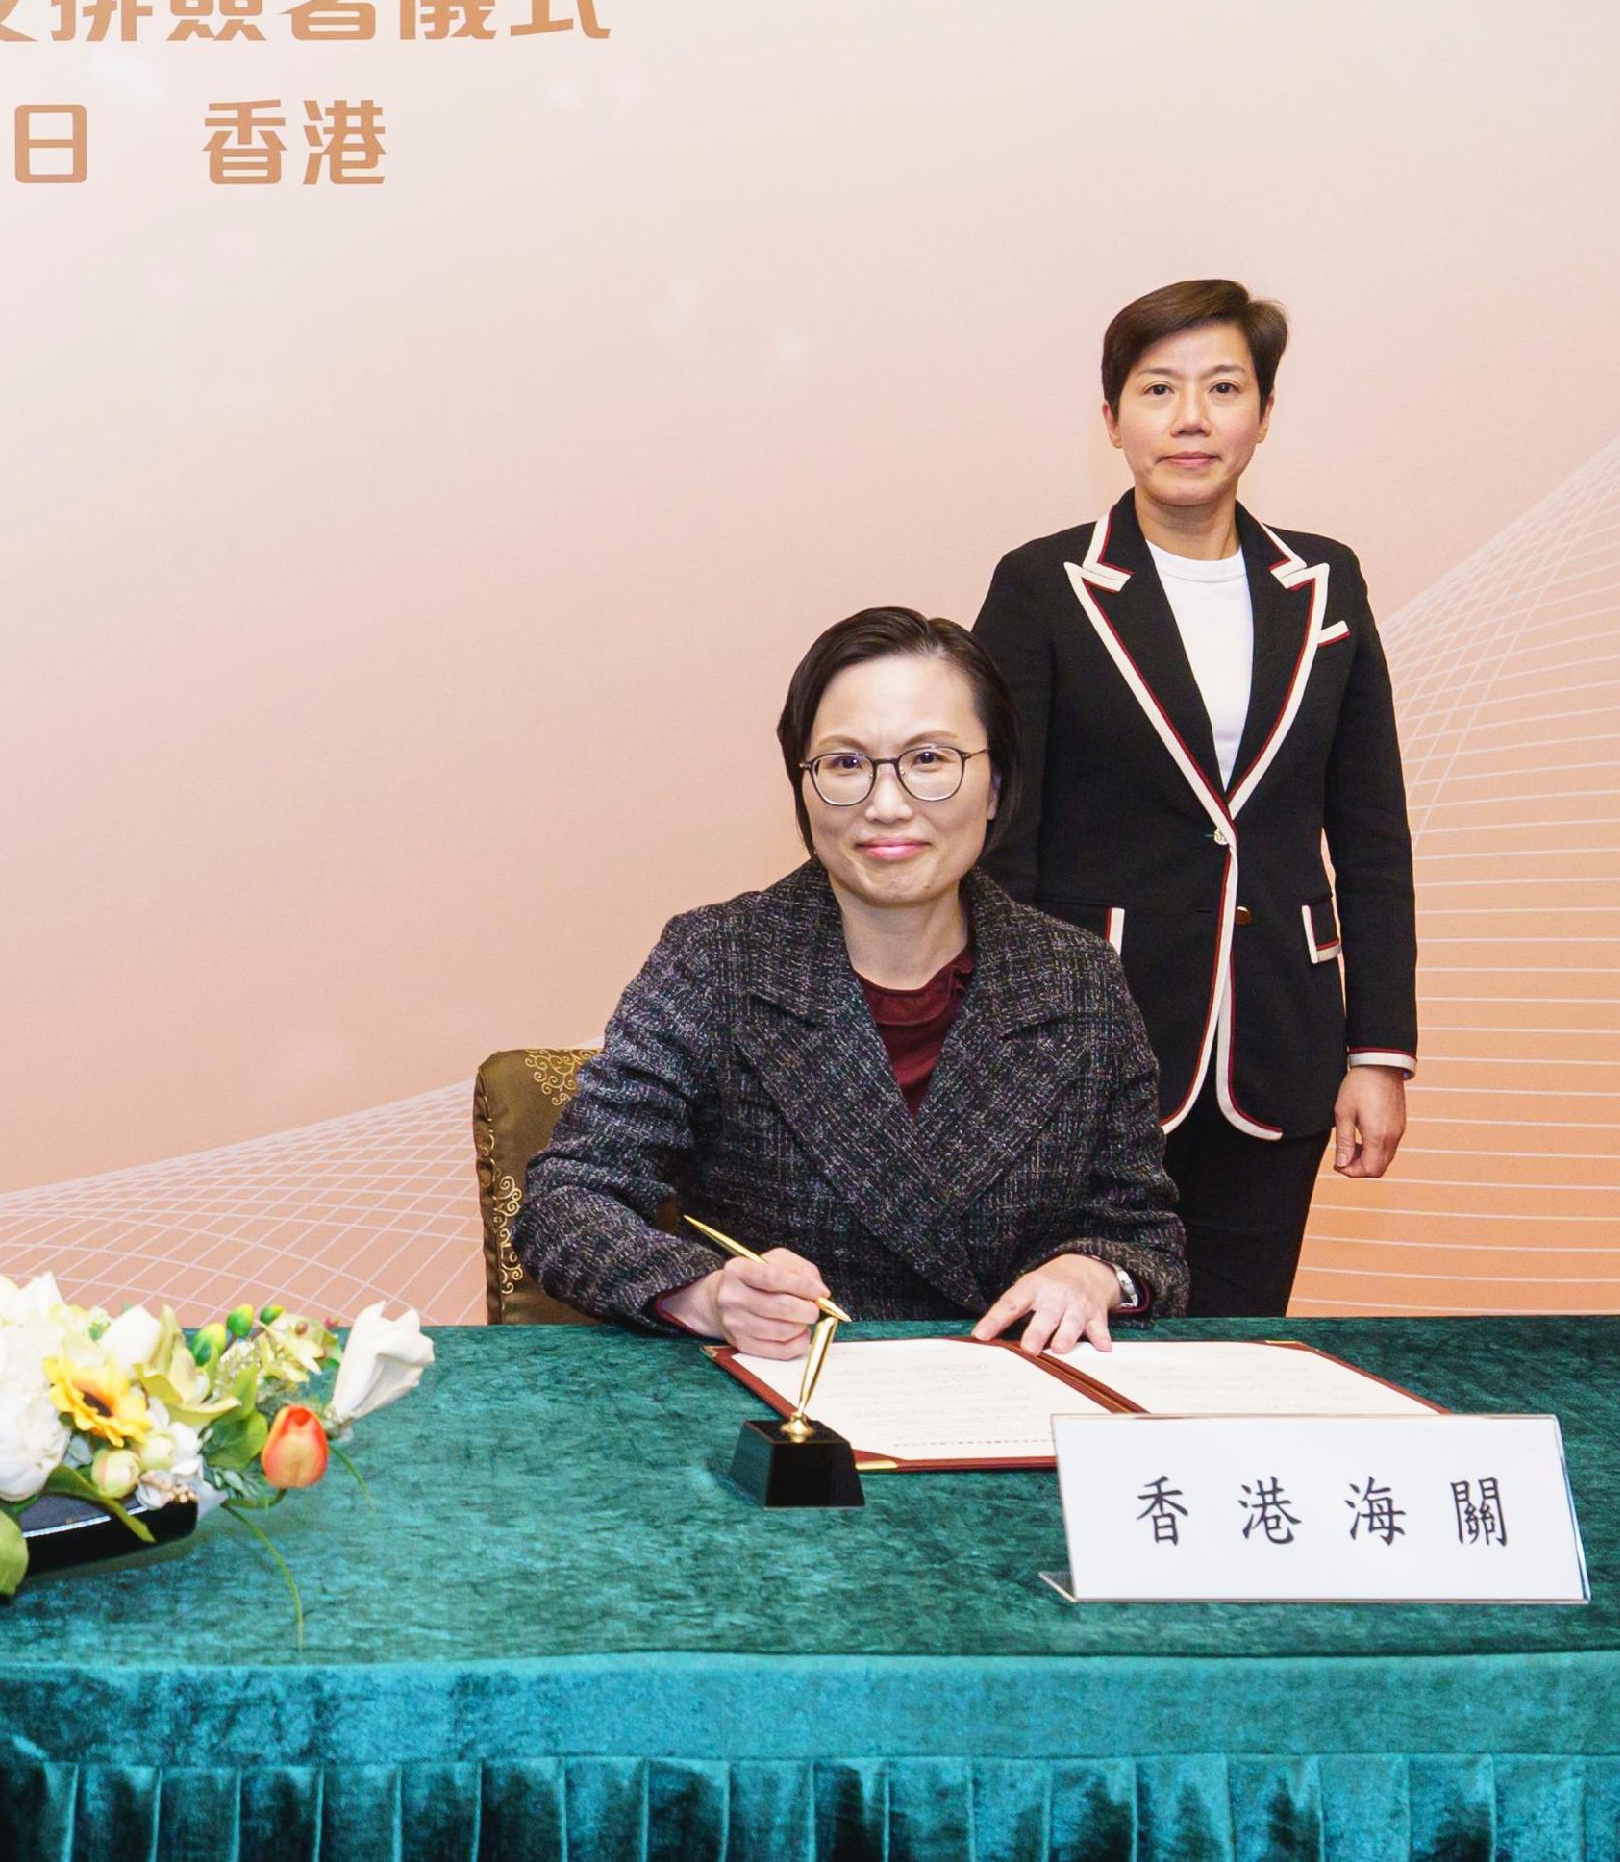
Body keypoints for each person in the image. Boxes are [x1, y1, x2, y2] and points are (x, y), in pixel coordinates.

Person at [514, 608, 1189, 1351]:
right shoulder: (717, 960)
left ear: (995, 784)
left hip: (1012, 1400)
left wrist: (1095, 1273)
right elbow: (568, 1200)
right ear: (802, 789)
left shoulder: (1076, 978)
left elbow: (1143, 1234)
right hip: (785, 1411)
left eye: (930, 759)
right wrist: (706, 1295)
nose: (887, 804)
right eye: (845, 764)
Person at [971, 279, 1418, 1317]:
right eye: (1157, 388)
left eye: (1222, 387)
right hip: (1090, 1040)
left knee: (1236, 1343)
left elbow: (1371, 829)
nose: (1189, 417)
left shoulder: (1326, 583)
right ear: (1111, 420)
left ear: (1261, 415)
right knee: (1076, 1340)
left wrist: (1379, 1050)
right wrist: (1005, 1041)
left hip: (1280, 1036)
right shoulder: (1045, 584)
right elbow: (999, 837)